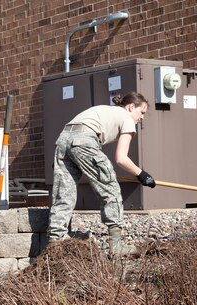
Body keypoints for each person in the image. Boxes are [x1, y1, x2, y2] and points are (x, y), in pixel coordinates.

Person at [47, 92, 156, 256]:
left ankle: (55, 243)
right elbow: (121, 159)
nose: (141, 118)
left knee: (64, 193)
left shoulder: (107, 110)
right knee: (110, 189)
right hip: (84, 139)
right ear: (131, 107)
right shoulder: (127, 118)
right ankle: (116, 245)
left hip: (63, 139)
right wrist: (142, 175)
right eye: (142, 112)